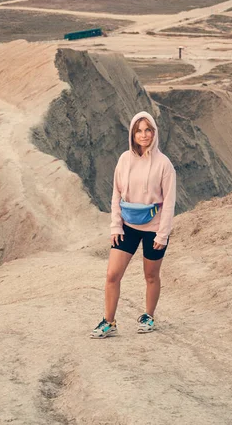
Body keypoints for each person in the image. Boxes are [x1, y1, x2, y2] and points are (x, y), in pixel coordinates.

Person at [90, 111, 176, 338]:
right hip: (127, 225)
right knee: (112, 275)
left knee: (150, 276)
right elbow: (116, 194)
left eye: (148, 130)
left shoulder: (164, 164)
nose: (144, 134)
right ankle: (109, 322)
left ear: (154, 132)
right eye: (139, 130)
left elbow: (169, 202)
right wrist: (115, 226)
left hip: (154, 227)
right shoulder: (124, 160)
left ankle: (149, 315)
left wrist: (162, 234)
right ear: (132, 133)